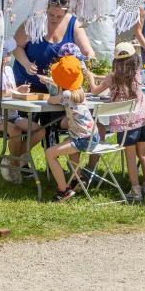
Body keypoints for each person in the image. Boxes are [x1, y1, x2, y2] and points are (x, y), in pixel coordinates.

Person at [12, 0, 94, 144]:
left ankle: (50, 162)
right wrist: (26, 63)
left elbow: (88, 52)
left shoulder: (74, 24)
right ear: (46, 9)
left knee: (51, 124)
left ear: (66, 13)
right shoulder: (33, 22)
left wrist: (86, 68)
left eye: (59, 16)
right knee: (25, 126)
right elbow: (15, 46)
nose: (55, 18)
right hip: (28, 84)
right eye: (51, 14)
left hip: (56, 87)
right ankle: (21, 162)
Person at [86, 42, 145, 202]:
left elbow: (95, 90)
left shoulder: (112, 78)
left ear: (115, 61)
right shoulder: (138, 74)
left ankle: (135, 190)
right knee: (143, 154)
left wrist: (91, 78)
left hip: (127, 125)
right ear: (135, 59)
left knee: (130, 157)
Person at [0, 39, 45, 184]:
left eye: (9, 52)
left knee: (39, 130)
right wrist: (13, 93)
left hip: (12, 115)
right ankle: (15, 166)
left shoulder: (7, 69)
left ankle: (13, 161)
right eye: (7, 53)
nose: (10, 55)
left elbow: (9, 91)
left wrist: (18, 91)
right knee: (16, 131)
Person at [43, 56, 99, 203]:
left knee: (50, 154)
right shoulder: (79, 91)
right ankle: (77, 179)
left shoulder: (66, 95)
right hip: (91, 136)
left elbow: (51, 100)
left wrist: (54, 85)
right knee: (68, 143)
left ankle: (63, 190)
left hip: (82, 140)